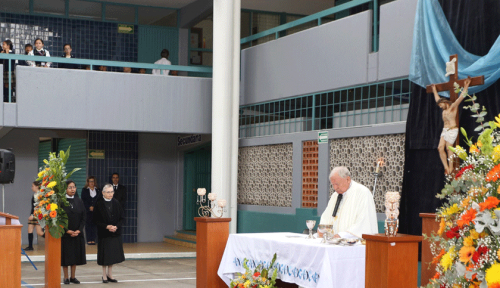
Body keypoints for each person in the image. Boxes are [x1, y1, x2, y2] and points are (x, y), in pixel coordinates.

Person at [319, 167, 378, 238]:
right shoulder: (335, 196)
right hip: (334, 243)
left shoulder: (362, 193)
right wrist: (322, 230)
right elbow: (326, 217)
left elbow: (364, 223)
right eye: (333, 184)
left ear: (348, 179)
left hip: (354, 244)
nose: (335, 188)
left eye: (337, 184)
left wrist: (342, 235)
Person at [431, 77, 471, 174]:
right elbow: (437, 99)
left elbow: (461, 97)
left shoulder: (453, 107)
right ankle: (446, 168)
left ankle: (451, 167)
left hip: (452, 129)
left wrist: (466, 85)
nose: (440, 107)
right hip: (445, 130)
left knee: (449, 148)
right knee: (440, 148)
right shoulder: (444, 110)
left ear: (445, 102)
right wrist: (434, 90)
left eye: (441, 105)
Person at [94, 184, 125, 283]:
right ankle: (104, 275)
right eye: (108, 192)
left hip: (114, 233)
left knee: (111, 255)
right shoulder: (98, 204)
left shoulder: (116, 203)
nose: (110, 194)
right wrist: (106, 226)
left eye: (112, 192)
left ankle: (110, 274)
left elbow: (122, 218)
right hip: (104, 234)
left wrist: (116, 226)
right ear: (103, 193)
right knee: (105, 255)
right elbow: (95, 220)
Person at [61, 180, 86, 285]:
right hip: (66, 234)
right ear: (65, 189)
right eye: (70, 187)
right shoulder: (61, 202)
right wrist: (67, 231)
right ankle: (66, 277)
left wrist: (79, 230)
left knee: (75, 256)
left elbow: (84, 217)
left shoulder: (79, 201)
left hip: (77, 233)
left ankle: (73, 277)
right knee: (66, 257)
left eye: (74, 187)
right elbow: (59, 219)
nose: (72, 189)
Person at [24, 181, 44, 251]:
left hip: (37, 215)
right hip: (33, 214)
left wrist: (33, 215)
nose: (31, 187)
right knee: (30, 229)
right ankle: (30, 246)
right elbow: (33, 206)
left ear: (37, 186)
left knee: (39, 232)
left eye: (32, 186)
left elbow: (39, 206)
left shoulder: (40, 195)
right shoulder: (35, 194)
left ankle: (50, 240)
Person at [81, 176, 100, 245]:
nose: (92, 183)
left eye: (93, 181)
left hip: (96, 211)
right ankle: (89, 239)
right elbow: (83, 200)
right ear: (88, 182)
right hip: (87, 210)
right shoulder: (84, 190)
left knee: (94, 225)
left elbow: (99, 200)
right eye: (90, 181)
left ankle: (93, 239)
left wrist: (95, 207)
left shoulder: (98, 190)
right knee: (88, 225)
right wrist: (89, 207)